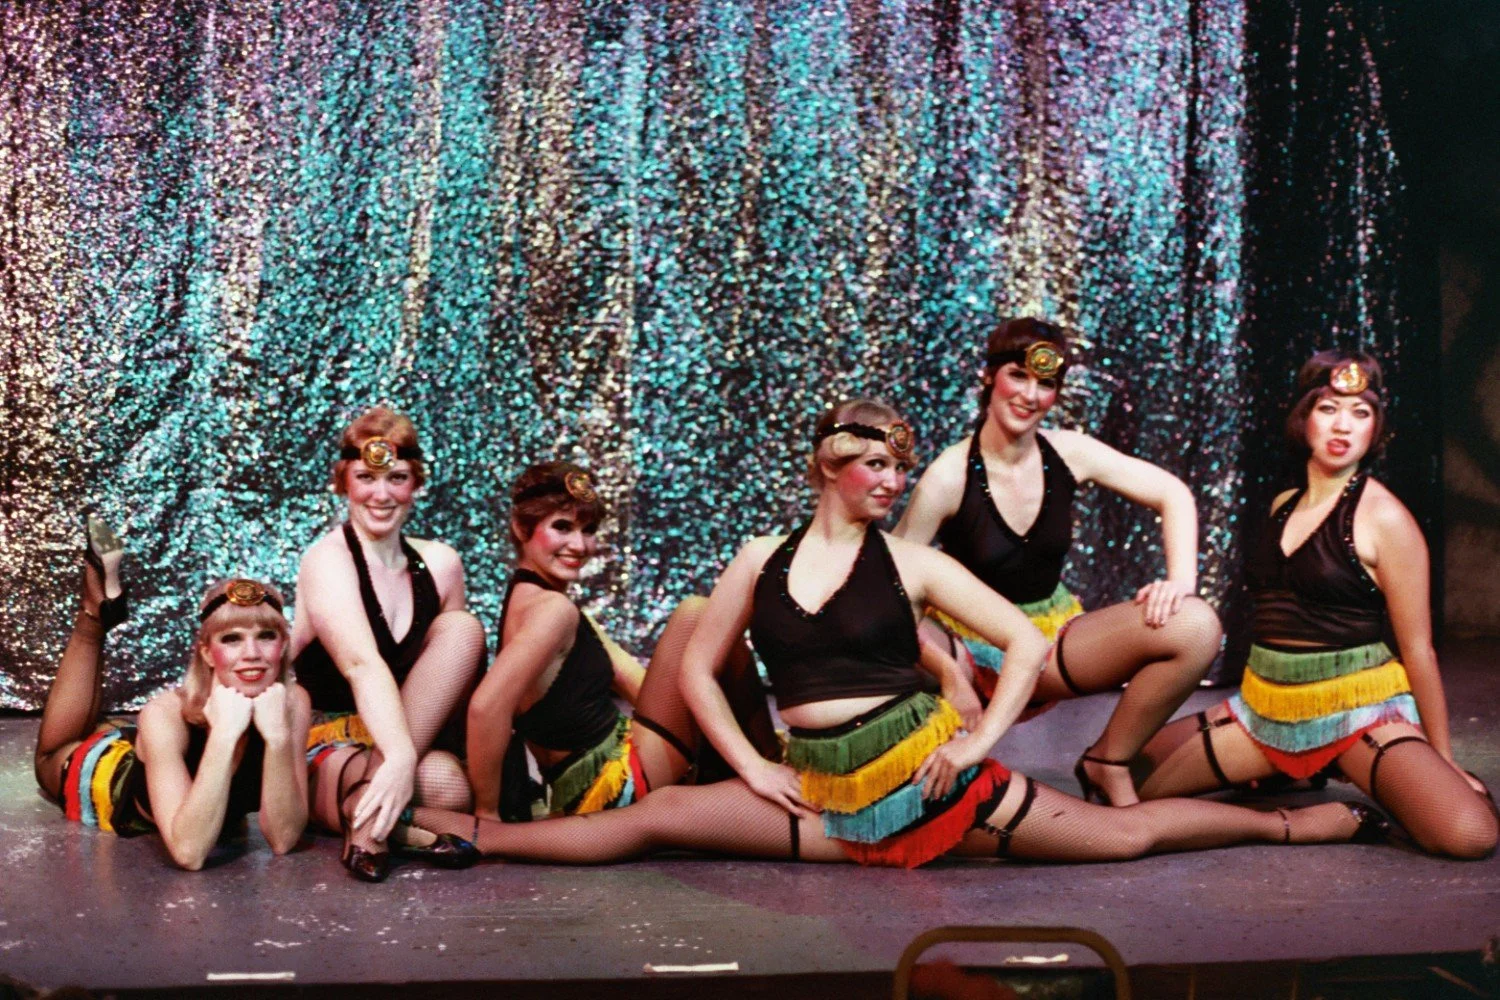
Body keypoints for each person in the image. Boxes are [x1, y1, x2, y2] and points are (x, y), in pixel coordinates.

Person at [406, 400, 1380, 866]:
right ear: (831, 464)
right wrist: (749, 765)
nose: (892, 477)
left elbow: (1028, 645)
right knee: (647, 823)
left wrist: (975, 741)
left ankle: (1290, 819)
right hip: (820, 793)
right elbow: (698, 671)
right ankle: (459, 831)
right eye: (876, 463)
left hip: (926, 784)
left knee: (1121, 841)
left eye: (898, 464)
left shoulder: (914, 564)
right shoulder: (759, 556)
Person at [1137, 351, 1498, 859]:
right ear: (1304, 416)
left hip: (1358, 712)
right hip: (1267, 711)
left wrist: (1444, 760)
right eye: (1329, 408)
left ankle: (1318, 795)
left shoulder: (1385, 518)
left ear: (1376, 429)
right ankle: (1293, 793)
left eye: (1361, 413)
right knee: (1123, 782)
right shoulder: (1281, 506)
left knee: (1469, 835)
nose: (1343, 426)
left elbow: (1418, 651)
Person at [893, 317, 1224, 806]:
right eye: (1018, 376)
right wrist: (946, 673)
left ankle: (1107, 760)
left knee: (1196, 627)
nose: (1030, 395)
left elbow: (1172, 493)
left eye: (1045, 383)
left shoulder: (1068, 452)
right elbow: (895, 590)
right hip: (968, 651)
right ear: (989, 377)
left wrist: (1181, 582)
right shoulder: (947, 478)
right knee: (896, 650)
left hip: (1047, 650)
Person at [465, 462, 776, 820]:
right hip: (615, 783)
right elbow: (485, 708)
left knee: (705, 647)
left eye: (589, 529)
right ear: (522, 528)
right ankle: (770, 764)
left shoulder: (534, 601)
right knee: (697, 615)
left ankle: (757, 765)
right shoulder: (552, 611)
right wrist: (486, 814)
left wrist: (702, 713)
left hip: (594, 780)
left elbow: (635, 683)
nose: (579, 545)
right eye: (562, 527)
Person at [34, 514, 309, 870]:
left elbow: (284, 838)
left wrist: (278, 738)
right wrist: (224, 735)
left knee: (123, 732)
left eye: (266, 636)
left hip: (159, 753)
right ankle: (94, 615)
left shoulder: (293, 702)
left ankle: (104, 611)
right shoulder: (164, 713)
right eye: (232, 639)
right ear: (208, 652)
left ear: (284, 645)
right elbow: (189, 852)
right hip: (111, 776)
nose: (252, 654)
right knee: (50, 756)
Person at [291, 407, 486, 881]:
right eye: (366, 477)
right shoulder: (327, 560)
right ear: (343, 482)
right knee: (434, 784)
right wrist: (398, 759)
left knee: (450, 783)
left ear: (415, 483)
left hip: (402, 736)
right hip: (329, 741)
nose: (382, 495)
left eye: (396, 477)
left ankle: (373, 808)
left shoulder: (441, 563)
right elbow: (360, 664)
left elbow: (452, 680)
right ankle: (372, 833)